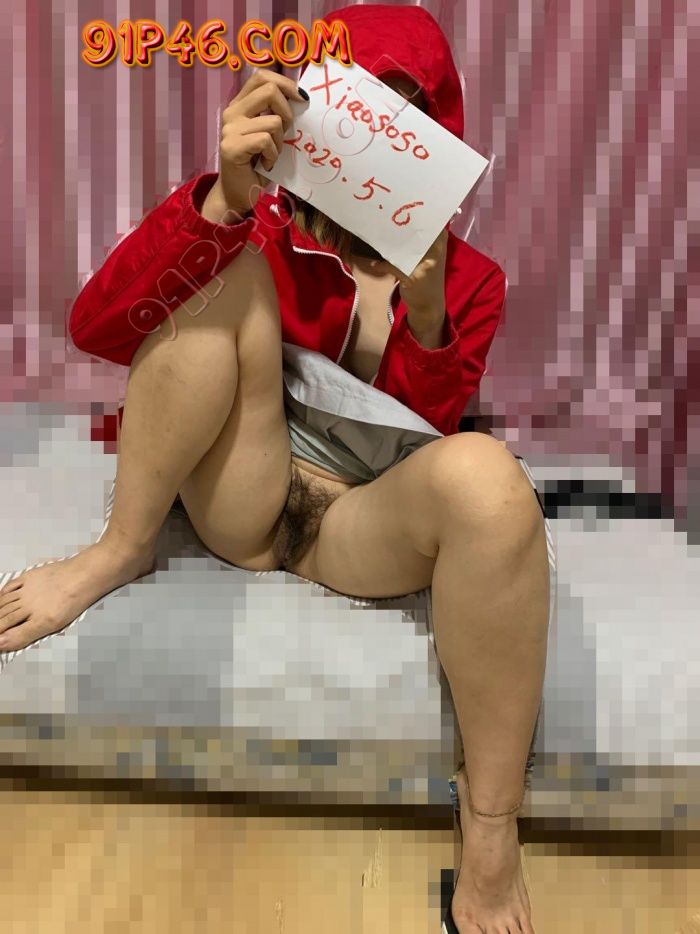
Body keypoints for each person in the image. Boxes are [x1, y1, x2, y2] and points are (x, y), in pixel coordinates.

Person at [0, 5, 550, 931]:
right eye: (356, 109)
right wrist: (220, 203)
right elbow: (96, 328)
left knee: (492, 479)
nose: (376, 143)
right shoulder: (254, 219)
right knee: (228, 270)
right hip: (244, 484)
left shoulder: (469, 279)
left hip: (359, 523)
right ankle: (120, 550)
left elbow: (431, 444)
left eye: (402, 120)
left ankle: (491, 828)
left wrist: (424, 314)